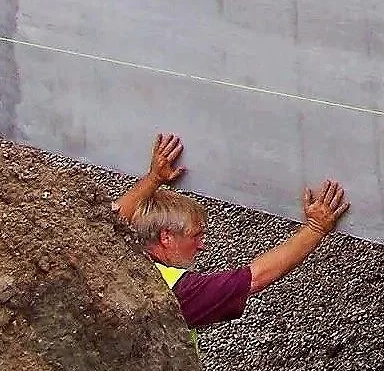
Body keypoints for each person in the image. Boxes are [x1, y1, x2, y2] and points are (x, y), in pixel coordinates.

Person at [114, 132, 351, 331]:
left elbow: (109, 218)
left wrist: (154, 178)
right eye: (195, 236)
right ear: (166, 237)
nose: (202, 245)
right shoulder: (176, 293)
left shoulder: (116, 256)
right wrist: (315, 228)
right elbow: (256, 277)